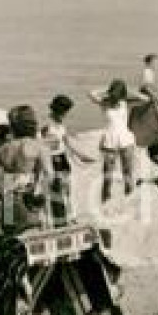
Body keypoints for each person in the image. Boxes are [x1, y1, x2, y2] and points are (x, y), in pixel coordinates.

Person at [0, 104, 55, 232]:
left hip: (8, 200)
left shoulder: (4, 148)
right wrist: (39, 195)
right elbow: (49, 175)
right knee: (32, 238)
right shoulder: (39, 147)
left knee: (11, 238)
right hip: (28, 199)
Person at [42, 95, 95, 224]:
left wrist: (82, 156)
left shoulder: (60, 125)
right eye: (63, 112)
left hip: (62, 159)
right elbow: (45, 147)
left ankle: (70, 217)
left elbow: (67, 142)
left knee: (67, 190)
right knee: (57, 191)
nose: (64, 115)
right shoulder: (48, 126)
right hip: (53, 160)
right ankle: (60, 220)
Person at [89, 79, 136, 204]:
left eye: (117, 93)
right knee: (107, 175)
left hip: (126, 140)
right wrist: (108, 91)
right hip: (110, 140)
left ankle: (129, 202)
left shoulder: (125, 103)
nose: (115, 95)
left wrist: (125, 93)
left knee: (128, 173)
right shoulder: (104, 103)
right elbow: (91, 93)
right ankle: (105, 203)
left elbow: (145, 98)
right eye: (113, 92)